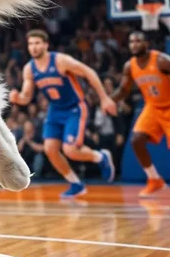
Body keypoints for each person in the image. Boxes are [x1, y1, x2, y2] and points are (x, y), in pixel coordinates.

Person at [10, 29, 116, 199]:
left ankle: (100, 156)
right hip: (55, 110)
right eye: (30, 44)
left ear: (46, 44)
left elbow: (89, 72)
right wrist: (17, 98)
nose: (34, 47)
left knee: (71, 150)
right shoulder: (29, 69)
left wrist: (104, 98)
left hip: (75, 108)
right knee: (50, 149)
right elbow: (26, 96)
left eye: (37, 43)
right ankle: (76, 183)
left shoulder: (60, 61)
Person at [111, 31, 170, 196]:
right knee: (137, 140)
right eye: (131, 42)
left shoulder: (162, 60)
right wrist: (108, 100)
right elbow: (123, 89)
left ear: (147, 44)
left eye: (138, 41)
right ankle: (154, 179)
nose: (134, 44)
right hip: (152, 107)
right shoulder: (130, 66)